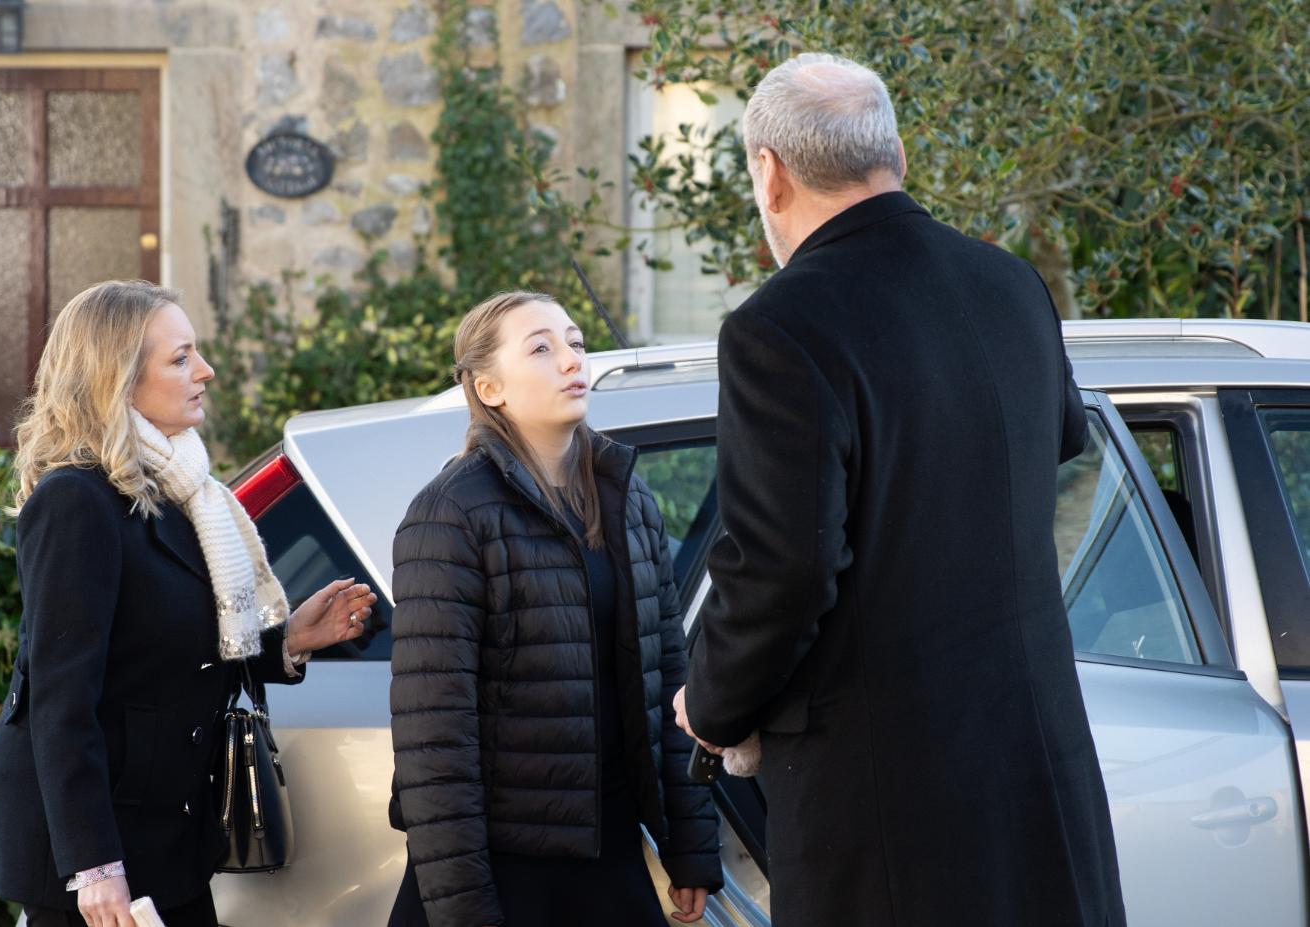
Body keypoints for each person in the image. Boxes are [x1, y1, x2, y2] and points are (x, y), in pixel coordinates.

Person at [673, 54, 1127, 926]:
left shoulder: (779, 328)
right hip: (1040, 773)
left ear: (768, 174)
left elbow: (785, 568)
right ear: (899, 156)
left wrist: (715, 701)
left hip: (891, 810)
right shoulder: (1011, 285)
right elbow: (1061, 438)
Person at [0, 280, 377, 927]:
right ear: (119, 378)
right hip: (99, 855)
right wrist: (94, 866)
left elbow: (181, 646)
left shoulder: (187, 492)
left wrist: (289, 640)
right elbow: (61, 698)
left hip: (170, 836)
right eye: (181, 356)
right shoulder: (77, 500)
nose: (205, 371)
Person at [386, 292, 723, 927]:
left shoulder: (626, 496)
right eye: (541, 348)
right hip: (505, 867)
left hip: (609, 854)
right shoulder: (452, 512)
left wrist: (691, 844)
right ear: (489, 388)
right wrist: (466, 910)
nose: (572, 360)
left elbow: (669, 680)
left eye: (575, 343)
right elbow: (434, 736)